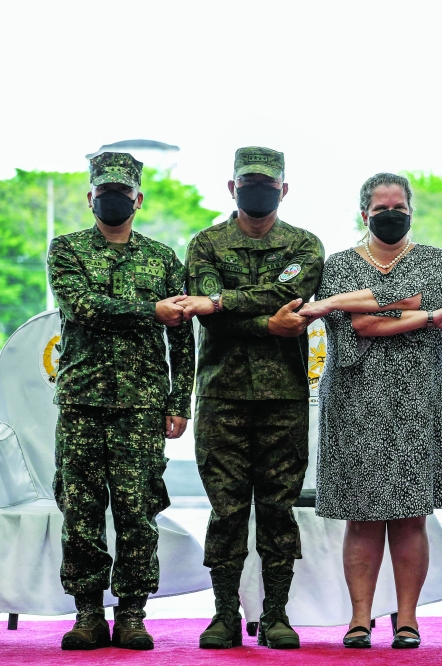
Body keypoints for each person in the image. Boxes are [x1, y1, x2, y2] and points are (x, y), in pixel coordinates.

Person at [297, 172, 442, 650]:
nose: (391, 215)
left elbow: (409, 299)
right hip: (355, 399)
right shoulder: (341, 262)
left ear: (412, 210)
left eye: (400, 207)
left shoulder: (434, 260)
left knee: (412, 515)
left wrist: (332, 305)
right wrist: (420, 315)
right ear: (363, 212)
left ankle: (407, 620)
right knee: (362, 516)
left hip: (421, 399)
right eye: (381, 207)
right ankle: (360, 619)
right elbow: (365, 325)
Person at [48, 152, 195, 651]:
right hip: (82, 403)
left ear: (138, 199)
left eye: (122, 192)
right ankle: (88, 613)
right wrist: (151, 311)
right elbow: (84, 307)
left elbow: (183, 339)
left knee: (138, 513)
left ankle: (132, 612)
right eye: (104, 191)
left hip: (141, 405)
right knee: (81, 511)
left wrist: (180, 400)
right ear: (91, 197)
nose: (113, 199)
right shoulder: (65, 250)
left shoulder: (163, 258)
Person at [181, 147, 324, 650]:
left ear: (283, 190)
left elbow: (286, 299)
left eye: (267, 183)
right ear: (231, 188)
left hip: (283, 398)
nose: (256, 191)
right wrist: (265, 322)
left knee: (278, 508)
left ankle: (276, 614)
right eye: (248, 183)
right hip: (221, 396)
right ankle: (223, 614)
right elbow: (206, 311)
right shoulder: (206, 243)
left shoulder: (304, 246)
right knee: (226, 510)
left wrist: (221, 302)